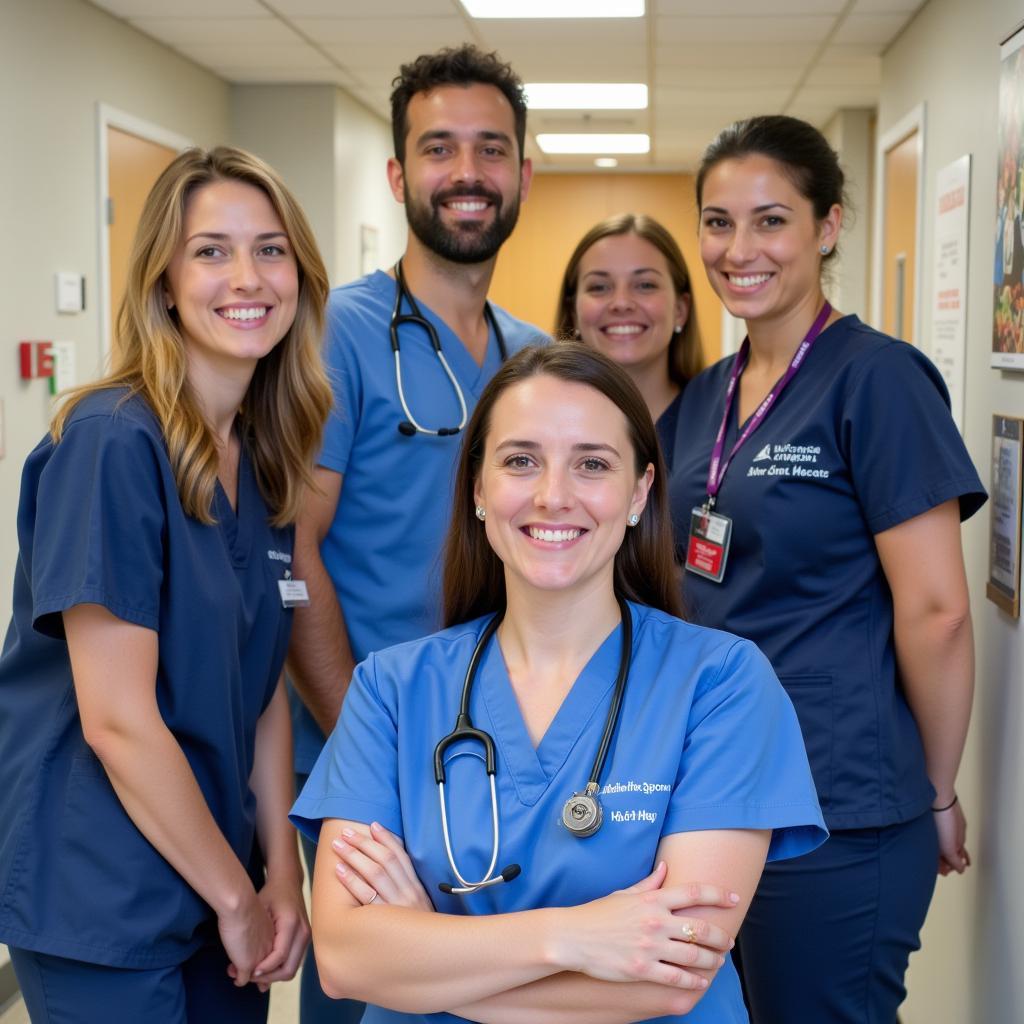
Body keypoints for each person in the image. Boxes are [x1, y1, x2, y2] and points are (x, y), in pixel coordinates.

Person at [290, 343, 828, 1023]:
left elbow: (673, 977)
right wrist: (573, 937)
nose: (552, 496)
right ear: (478, 490)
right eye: (520, 461)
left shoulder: (720, 684)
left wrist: (430, 949)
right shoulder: (392, 691)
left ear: (638, 493)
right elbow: (345, 960)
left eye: (592, 465)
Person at [0, 146, 332, 1021]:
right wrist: (237, 898)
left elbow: (259, 690)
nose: (247, 276)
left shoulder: (263, 457)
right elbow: (117, 721)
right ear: (164, 281)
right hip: (103, 894)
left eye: (270, 249)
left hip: (215, 876)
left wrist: (282, 875)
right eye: (211, 250)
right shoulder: (109, 442)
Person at [669, 115, 987, 1023]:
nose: (740, 249)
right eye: (718, 222)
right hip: (716, 792)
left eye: (771, 220)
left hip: (839, 802)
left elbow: (938, 613)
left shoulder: (878, 381)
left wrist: (933, 792)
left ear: (829, 226)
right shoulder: (705, 396)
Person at [286, 44, 548, 1022]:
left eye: (490, 148)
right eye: (440, 148)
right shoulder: (338, 335)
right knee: (372, 996)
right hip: (371, 764)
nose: (468, 172)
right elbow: (293, 554)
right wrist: (367, 749)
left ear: (523, 172)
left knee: (488, 994)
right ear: (400, 176)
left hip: (502, 756)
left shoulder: (532, 355)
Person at [555, 213, 703, 469]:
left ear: (681, 308)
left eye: (645, 285)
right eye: (599, 287)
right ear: (573, 313)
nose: (621, 303)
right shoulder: (544, 420)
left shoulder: (716, 421)